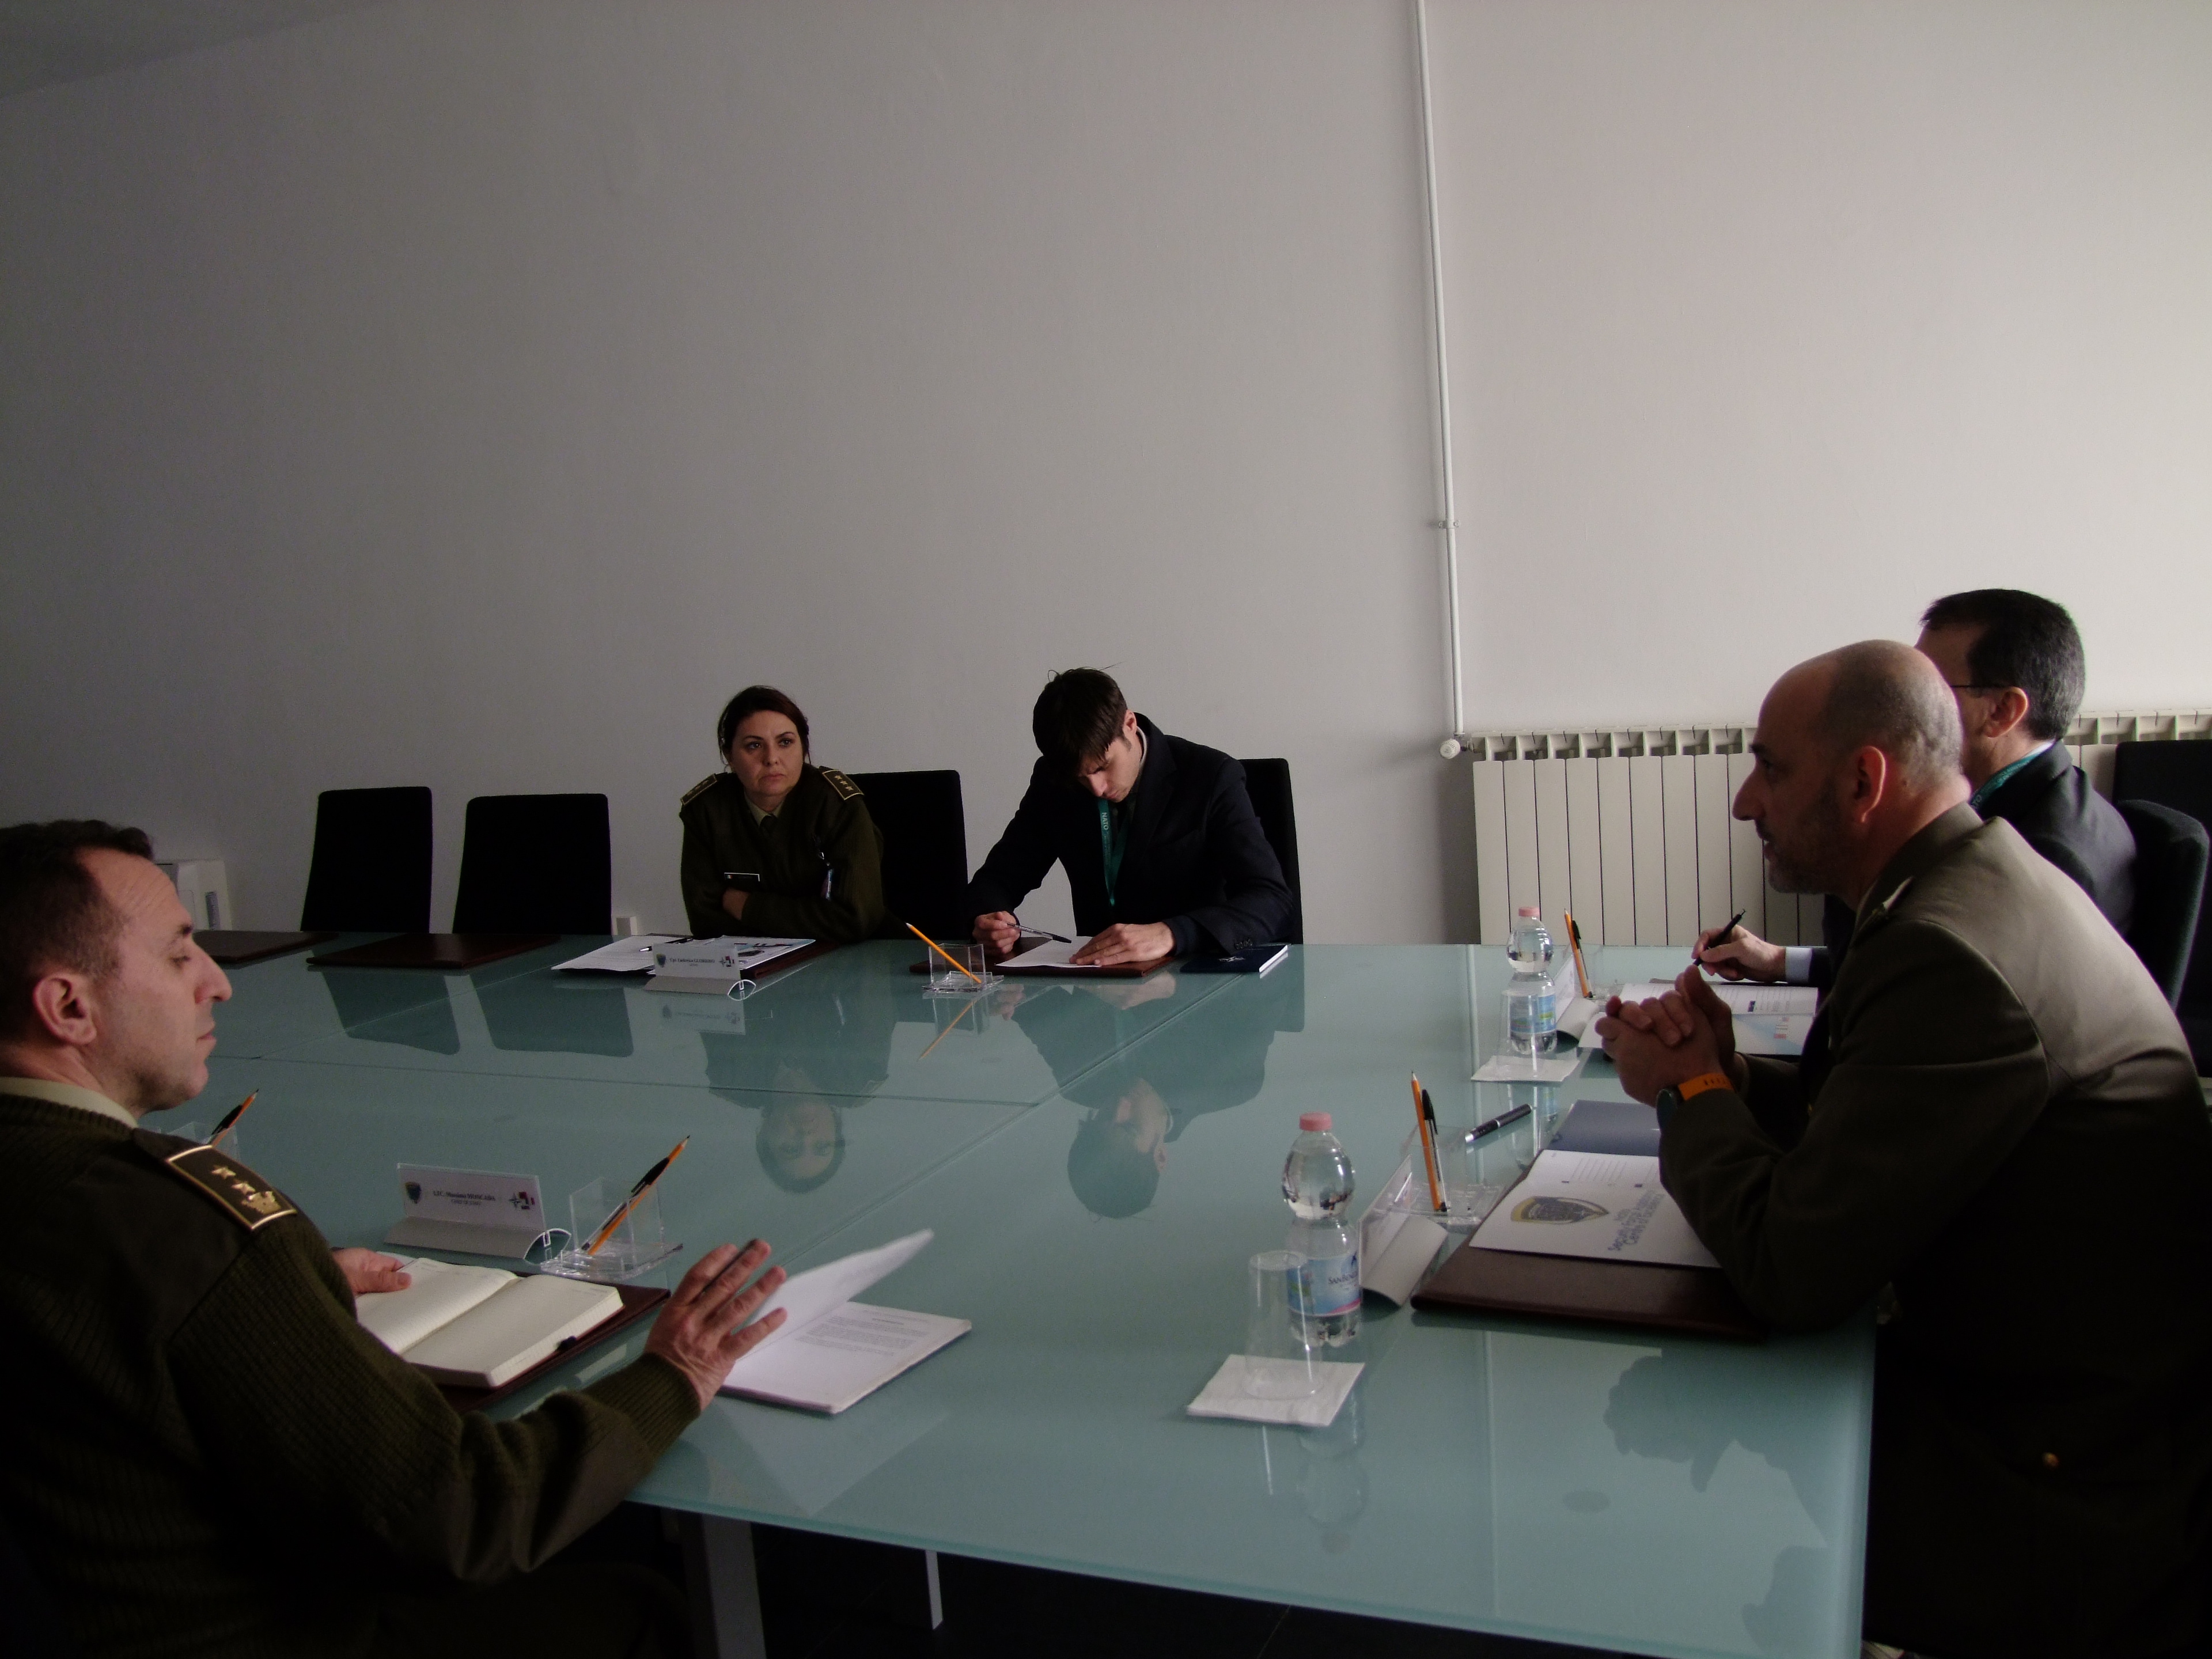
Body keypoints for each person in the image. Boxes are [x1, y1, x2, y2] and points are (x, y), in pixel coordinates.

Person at [0, 820, 794, 1658]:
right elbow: (464, 1517)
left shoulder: (137, 1226)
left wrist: (278, 1294)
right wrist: (674, 1375)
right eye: (176, 956)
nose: (217, 982)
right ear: (70, 1007)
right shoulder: (189, 1229)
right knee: (641, 1609)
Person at [1596, 644, 2212, 1658]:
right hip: (2045, 1380)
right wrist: (1731, 1074)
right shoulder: (1961, 880)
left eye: (1770, 769)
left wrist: (1689, 1090)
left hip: (2047, 1479)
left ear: (1864, 782)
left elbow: (1791, 1269)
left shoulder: (1946, 949)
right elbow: (1873, 1112)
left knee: (1640, 1504)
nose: (1746, 802)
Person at [1697, 589, 2134, 986]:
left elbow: (1933, 987)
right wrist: (1780, 961)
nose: (1909, 700)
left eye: (1934, 686)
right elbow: (1915, 965)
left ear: (2002, 711)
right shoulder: (2028, 802)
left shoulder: (2042, 858)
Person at [967, 669, 1291, 966]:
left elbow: (1271, 899)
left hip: (1196, 977)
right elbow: (997, 879)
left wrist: (1172, 933)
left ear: (1129, 724)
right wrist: (990, 921)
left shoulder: (1211, 776)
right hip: (1099, 985)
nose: (1096, 788)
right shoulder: (1054, 783)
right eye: (1080, 778)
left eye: (1103, 767)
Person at [679, 684, 887, 942]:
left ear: (804, 748)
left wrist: (747, 907)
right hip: (750, 962)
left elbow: (854, 918)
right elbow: (706, 923)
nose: (772, 758)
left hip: (850, 957)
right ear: (729, 756)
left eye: (785, 742)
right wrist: (813, 916)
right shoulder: (706, 810)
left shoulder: (837, 805)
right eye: (754, 746)